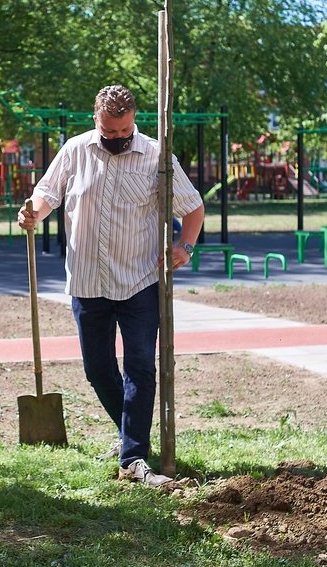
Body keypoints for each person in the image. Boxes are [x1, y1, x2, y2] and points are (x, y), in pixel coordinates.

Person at [18, 84, 204, 486]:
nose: (117, 138)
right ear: (96, 120)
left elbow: (193, 206)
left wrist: (184, 246)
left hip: (138, 279)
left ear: (134, 121)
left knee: (139, 366)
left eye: (124, 131)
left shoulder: (156, 156)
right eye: (109, 131)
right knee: (97, 367)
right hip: (87, 279)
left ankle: (133, 457)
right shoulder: (75, 150)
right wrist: (32, 212)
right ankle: (130, 437)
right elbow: (47, 193)